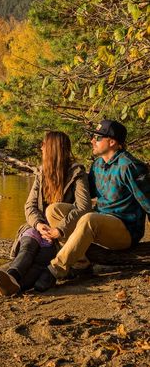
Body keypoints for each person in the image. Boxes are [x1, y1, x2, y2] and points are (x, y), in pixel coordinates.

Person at [35, 119, 150, 292]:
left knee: (89, 218)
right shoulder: (98, 165)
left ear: (112, 142)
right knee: (54, 210)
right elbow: (83, 197)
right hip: (99, 221)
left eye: (97, 137)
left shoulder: (130, 166)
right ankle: (82, 265)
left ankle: (56, 269)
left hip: (124, 230)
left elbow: (148, 203)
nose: (91, 141)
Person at [0, 131, 91, 296]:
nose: (41, 148)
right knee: (29, 242)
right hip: (42, 228)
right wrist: (39, 224)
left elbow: (83, 207)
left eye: (44, 144)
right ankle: (12, 277)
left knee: (43, 255)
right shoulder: (42, 173)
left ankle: (15, 285)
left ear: (53, 148)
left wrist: (59, 230)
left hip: (63, 233)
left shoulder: (77, 172)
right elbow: (30, 205)